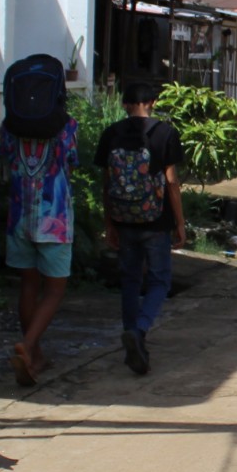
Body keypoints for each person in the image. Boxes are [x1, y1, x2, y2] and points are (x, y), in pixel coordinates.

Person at [96, 82, 187, 375]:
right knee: (160, 280)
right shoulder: (165, 132)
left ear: (125, 104)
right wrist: (180, 223)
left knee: (130, 281)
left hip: (123, 218)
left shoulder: (111, 134)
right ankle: (140, 330)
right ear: (153, 101)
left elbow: (107, 183)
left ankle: (131, 335)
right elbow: (171, 181)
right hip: (155, 221)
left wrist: (109, 222)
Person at [0, 104, 80, 387]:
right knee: (55, 290)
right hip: (54, 219)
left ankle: (35, 356)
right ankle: (28, 344)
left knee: (29, 285)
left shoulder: (9, 126)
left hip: (19, 217)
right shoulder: (67, 126)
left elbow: (5, 162)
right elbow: (71, 163)